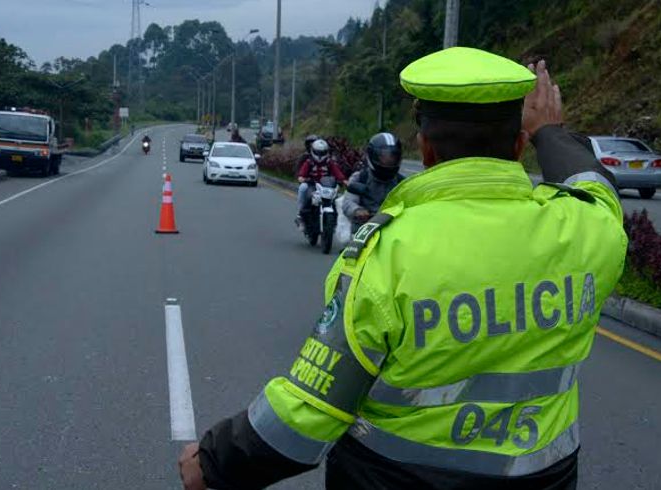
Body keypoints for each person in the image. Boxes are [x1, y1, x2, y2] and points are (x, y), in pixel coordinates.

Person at [179, 48, 627, 490]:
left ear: (425, 147)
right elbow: (593, 186)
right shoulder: (585, 230)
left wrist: (214, 461)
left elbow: (312, 408)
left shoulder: (388, 253)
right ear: (518, 145)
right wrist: (550, 132)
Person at [342, 132, 404, 231]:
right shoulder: (361, 177)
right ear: (372, 156)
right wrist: (358, 210)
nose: (389, 160)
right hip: (364, 229)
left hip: (394, 228)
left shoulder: (402, 182)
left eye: (393, 156)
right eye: (384, 156)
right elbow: (348, 201)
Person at [295, 139, 348, 223]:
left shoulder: (329, 162)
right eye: (317, 152)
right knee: (302, 188)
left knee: (336, 199)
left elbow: (337, 172)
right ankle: (300, 213)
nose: (320, 155)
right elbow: (302, 173)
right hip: (312, 185)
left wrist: (344, 181)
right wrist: (302, 178)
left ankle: (335, 218)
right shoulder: (309, 162)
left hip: (326, 186)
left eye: (322, 153)